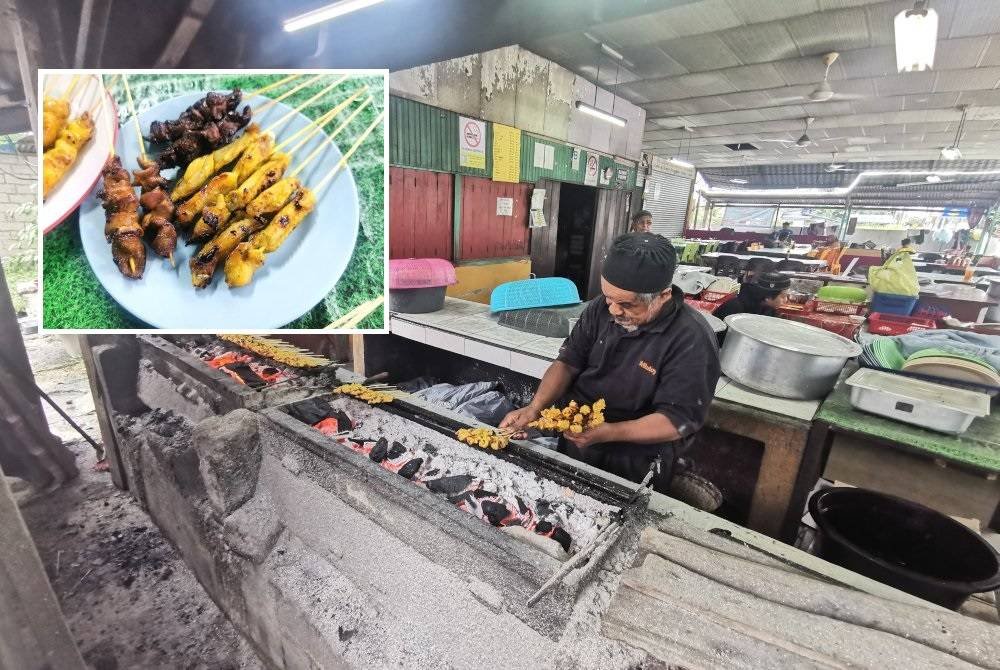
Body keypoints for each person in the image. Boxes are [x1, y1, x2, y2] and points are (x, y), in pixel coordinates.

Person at [500, 233, 721, 492]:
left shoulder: (691, 338)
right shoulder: (600, 309)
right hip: (579, 436)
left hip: (637, 458)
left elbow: (678, 420)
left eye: (627, 304)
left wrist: (609, 432)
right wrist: (534, 408)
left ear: (662, 296)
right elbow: (567, 362)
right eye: (608, 298)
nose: (614, 311)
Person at [712, 272, 791, 322]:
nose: (786, 300)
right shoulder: (735, 308)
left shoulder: (768, 309)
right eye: (783, 296)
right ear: (768, 297)